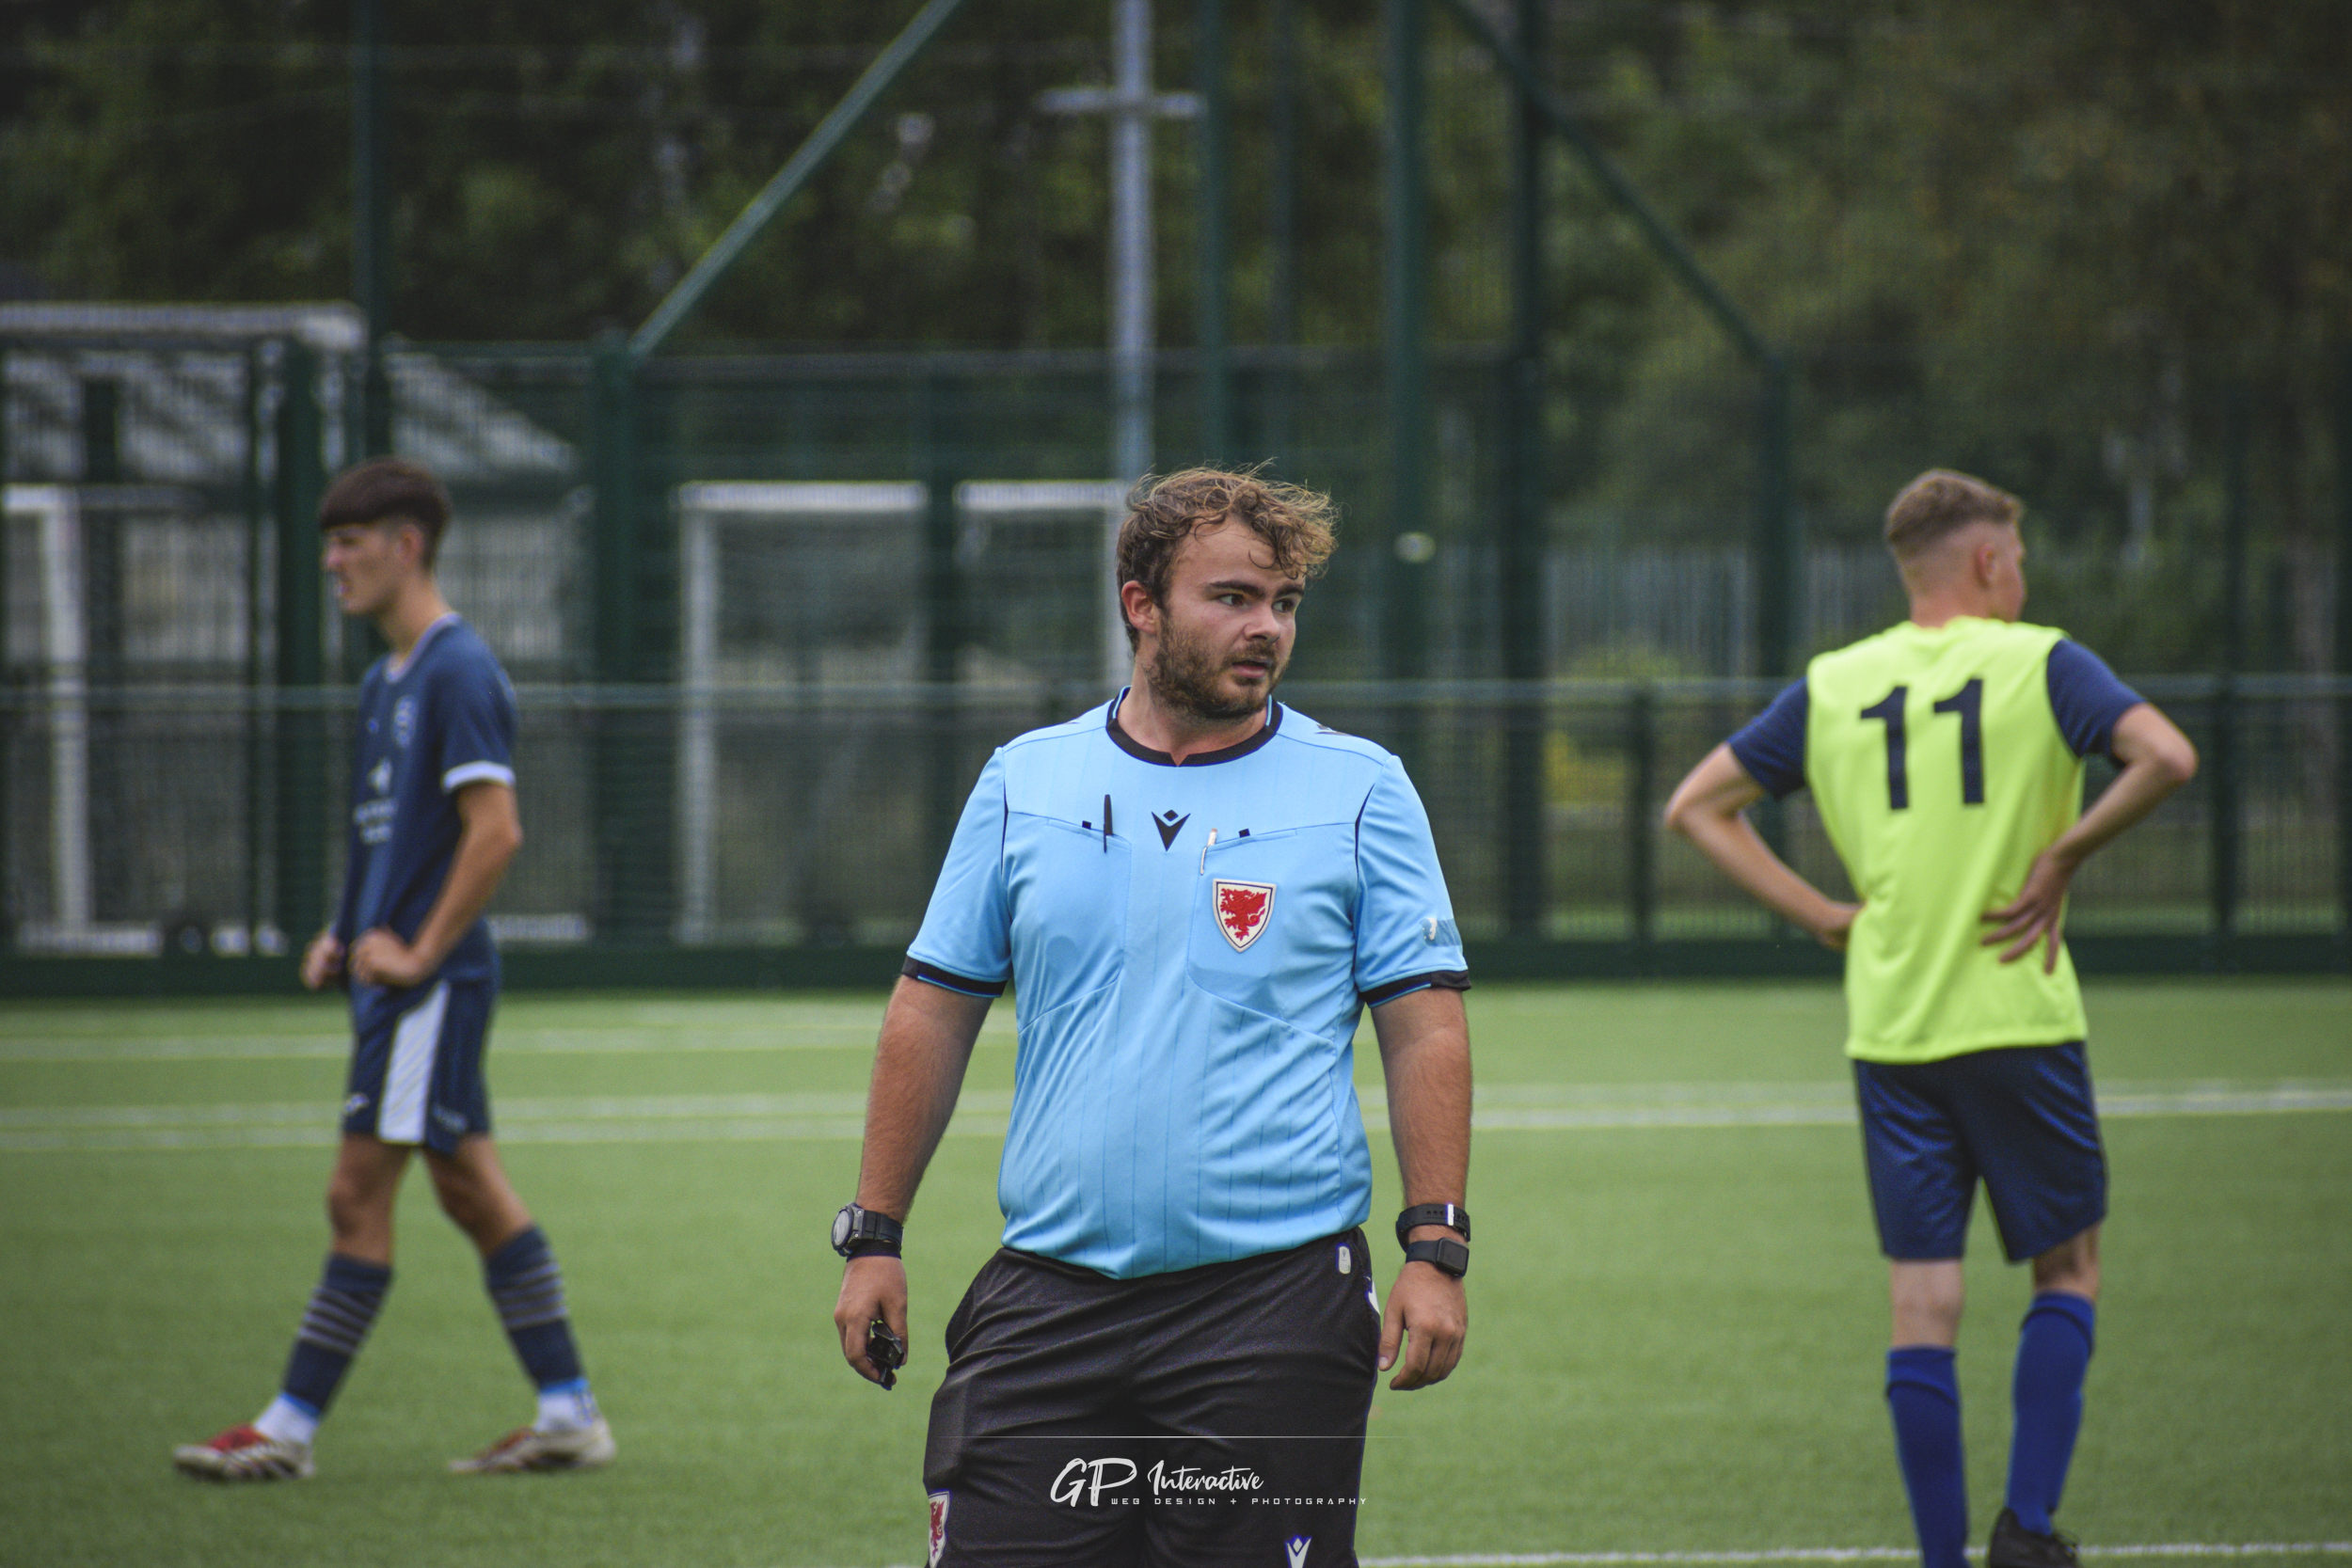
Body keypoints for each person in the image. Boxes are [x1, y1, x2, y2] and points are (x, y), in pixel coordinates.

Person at [831, 468, 1473, 1568]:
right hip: (1047, 1302)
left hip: (1271, 1309)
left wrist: (1436, 1246)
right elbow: (931, 1011)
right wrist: (874, 1235)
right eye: (1231, 597)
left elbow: (1425, 1028)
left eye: (1283, 602)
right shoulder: (1023, 779)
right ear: (1141, 604)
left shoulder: (1361, 786)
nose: (1265, 626)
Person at [1664, 470, 2197, 1568]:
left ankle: (1942, 1560)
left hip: (1892, 1028)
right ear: (1991, 561)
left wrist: (1818, 911)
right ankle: (2031, 1530)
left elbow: (1694, 806)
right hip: (2016, 1012)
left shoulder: (1834, 681)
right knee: (2067, 1268)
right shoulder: (2040, 659)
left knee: (1922, 1299)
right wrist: (2063, 853)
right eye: (2020, 557)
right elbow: (2167, 755)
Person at [174, 458, 612, 1481]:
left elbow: (494, 831)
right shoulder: (385, 678)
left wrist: (416, 949)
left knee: (353, 1194)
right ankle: (568, 1409)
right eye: (329, 541)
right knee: (472, 1191)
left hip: (429, 988)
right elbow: (387, 836)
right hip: (393, 986)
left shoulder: (459, 669)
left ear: (405, 544)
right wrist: (343, 926)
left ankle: (287, 1428)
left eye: (348, 541)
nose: (331, 561)